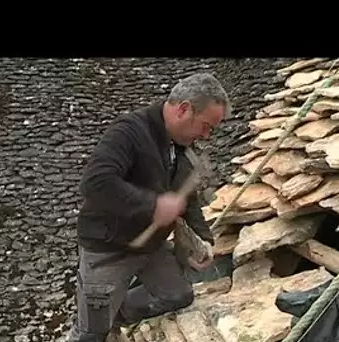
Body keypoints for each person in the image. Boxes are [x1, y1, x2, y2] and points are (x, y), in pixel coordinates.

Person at [66, 73, 231, 341]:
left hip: (149, 249)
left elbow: (188, 201)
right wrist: (152, 204)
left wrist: (203, 238)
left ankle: (114, 314)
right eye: (206, 126)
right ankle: (97, 321)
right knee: (90, 333)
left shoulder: (183, 148)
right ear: (184, 109)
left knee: (178, 295)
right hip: (107, 250)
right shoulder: (129, 131)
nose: (207, 135)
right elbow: (95, 183)